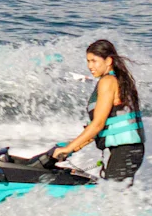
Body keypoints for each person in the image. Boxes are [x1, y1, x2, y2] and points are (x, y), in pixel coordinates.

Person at [49, 38, 144, 182]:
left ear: (109, 61)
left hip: (126, 151)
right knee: (117, 196)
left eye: (94, 61)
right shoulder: (117, 80)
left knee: (113, 197)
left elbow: (98, 124)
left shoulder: (107, 82)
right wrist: (74, 146)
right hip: (129, 151)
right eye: (88, 61)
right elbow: (103, 126)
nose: (90, 66)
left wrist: (67, 149)